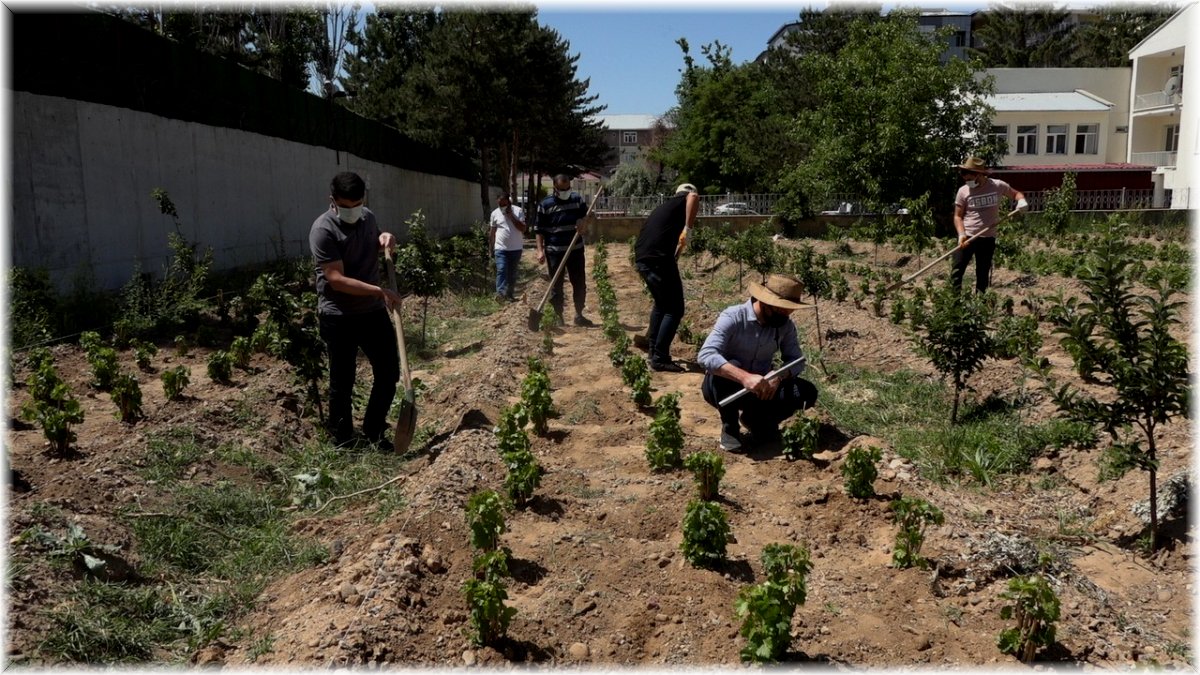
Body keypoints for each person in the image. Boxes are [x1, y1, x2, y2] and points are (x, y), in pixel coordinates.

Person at [309, 171, 403, 450]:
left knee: (388, 373)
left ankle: (374, 431)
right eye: (345, 206)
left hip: (371, 313)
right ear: (333, 200)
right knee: (342, 381)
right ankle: (343, 440)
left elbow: (373, 241)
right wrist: (379, 291)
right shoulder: (323, 230)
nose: (352, 211)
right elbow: (336, 279)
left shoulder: (368, 217)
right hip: (338, 316)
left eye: (357, 204)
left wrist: (386, 238)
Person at [697, 274, 818, 453]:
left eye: (790, 309)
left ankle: (757, 420)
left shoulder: (785, 326)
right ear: (765, 302)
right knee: (728, 367)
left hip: (761, 391)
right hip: (724, 389)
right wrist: (744, 377)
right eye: (782, 309)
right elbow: (706, 355)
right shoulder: (734, 317)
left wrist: (778, 376)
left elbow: (797, 361)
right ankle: (730, 428)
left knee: (806, 392)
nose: (787, 314)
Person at [634, 182, 699, 372]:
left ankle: (653, 352)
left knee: (662, 305)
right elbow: (693, 198)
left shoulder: (665, 207)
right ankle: (660, 358)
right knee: (674, 308)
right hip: (657, 259)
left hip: (644, 258)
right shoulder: (685, 199)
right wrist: (688, 228)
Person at [952, 156, 1027, 293]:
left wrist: (1021, 202)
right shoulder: (963, 191)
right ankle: (954, 305)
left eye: (970, 179)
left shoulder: (997, 186)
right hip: (967, 237)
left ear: (980, 174)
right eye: (965, 179)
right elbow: (957, 216)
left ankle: (980, 306)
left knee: (982, 274)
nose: (967, 182)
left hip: (987, 238)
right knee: (956, 271)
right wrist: (961, 234)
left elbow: (1017, 194)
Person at [535, 174, 594, 327]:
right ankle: (558, 316)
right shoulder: (545, 204)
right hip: (554, 251)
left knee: (579, 283)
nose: (565, 191)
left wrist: (584, 222)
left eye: (567, 188)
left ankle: (579, 314)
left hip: (575, 250)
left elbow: (589, 217)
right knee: (556, 285)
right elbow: (539, 230)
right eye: (562, 189)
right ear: (554, 187)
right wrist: (540, 251)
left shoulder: (577, 200)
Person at [488, 192, 527, 302]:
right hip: (500, 249)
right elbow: (492, 232)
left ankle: (509, 294)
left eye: (504, 204)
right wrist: (490, 248)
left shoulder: (518, 211)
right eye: (500, 204)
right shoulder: (495, 213)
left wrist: (511, 217)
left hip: (516, 249)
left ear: (509, 202)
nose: (502, 207)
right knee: (501, 269)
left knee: (512, 273)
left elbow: (523, 229)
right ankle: (500, 294)